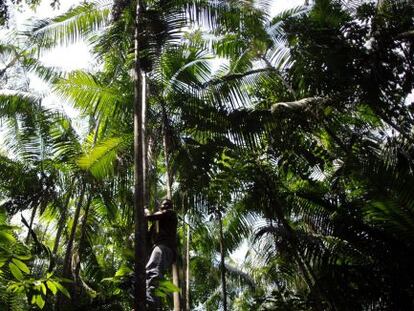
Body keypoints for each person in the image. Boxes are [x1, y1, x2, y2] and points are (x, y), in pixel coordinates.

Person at [145, 199, 177, 310]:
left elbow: (150, 217)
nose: (165, 207)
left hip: (165, 247)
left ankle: (150, 303)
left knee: (153, 271)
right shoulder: (156, 225)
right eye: (163, 205)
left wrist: (146, 211)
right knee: (149, 274)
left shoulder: (170, 213)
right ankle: (152, 302)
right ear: (159, 207)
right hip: (159, 248)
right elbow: (147, 239)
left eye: (168, 205)